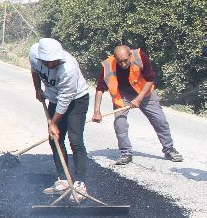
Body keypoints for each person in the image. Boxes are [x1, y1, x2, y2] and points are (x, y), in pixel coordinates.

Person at [93, 45, 183, 165]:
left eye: (126, 60)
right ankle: (126, 153)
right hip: (122, 94)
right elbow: (100, 88)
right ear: (115, 58)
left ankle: (169, 149)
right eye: (120, 61)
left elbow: (150, 78)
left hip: (144, 92)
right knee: (120, 124)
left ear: (130, 55)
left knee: (160, 120)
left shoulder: (141, 57)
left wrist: (139, 99)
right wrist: (96, 111)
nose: (123, 64)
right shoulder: (107, 65)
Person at [29, 38, 92, 198]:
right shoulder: (34, 53)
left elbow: (66, 98)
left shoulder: (68, 68)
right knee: (54, 139)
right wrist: (37, 89)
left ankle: (80, 184)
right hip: (55, 98)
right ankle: (64, 180)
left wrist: (54, 123)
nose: (53, 64)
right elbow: (35, 71)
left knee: (75, 140)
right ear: (41, 58)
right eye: (49, 62)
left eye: (55, 61)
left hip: (77, 99)